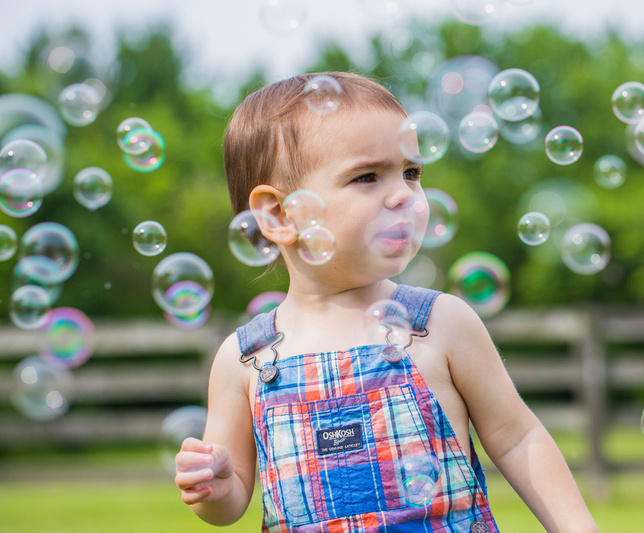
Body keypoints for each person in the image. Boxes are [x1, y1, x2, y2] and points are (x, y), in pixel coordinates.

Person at [174, 71, 598, 533]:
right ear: (278, 214)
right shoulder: (248, 359)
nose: (404, 195)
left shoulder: (437, 324)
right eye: (367, 176)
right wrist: (214, 486)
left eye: (411, 173)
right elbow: (231, 499)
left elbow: (517, 437)